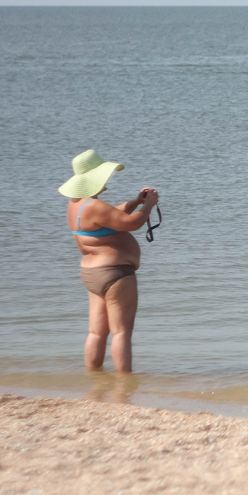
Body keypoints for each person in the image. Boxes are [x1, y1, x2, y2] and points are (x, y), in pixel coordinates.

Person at [59, 150, 159, 373]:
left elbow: (112, 216)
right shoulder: (95, 206)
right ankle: (124, 384)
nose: (108, 179)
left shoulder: (77, 204)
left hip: (92, 273)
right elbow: (132, 223)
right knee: (122, 332)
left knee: (96, 332)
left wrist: (135, 201)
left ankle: (93, 378)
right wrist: (148, 206)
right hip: (115, 274)